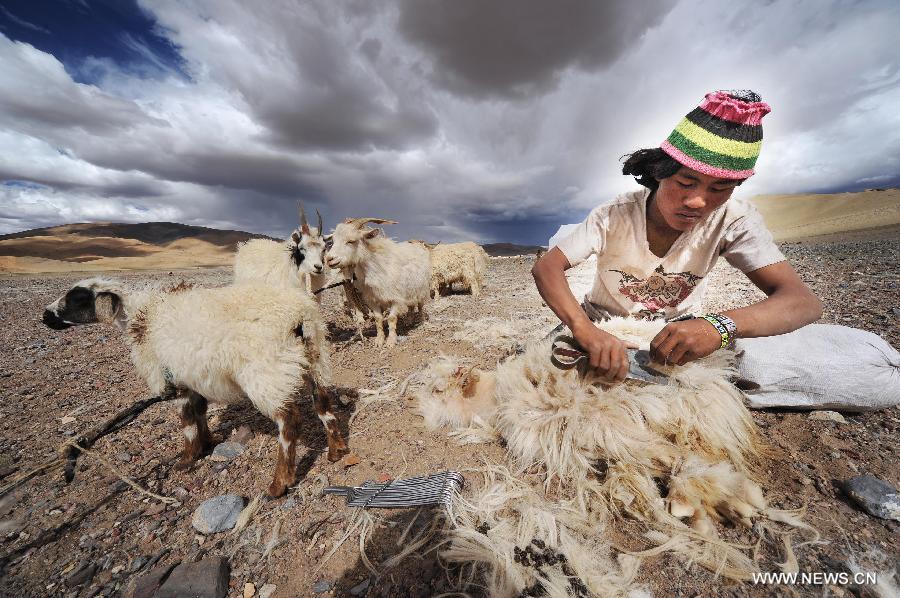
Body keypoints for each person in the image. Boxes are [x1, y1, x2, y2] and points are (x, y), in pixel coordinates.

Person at [532, 90, 823, 383]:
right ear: (660, 172)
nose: (697, 201)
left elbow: (802, 302)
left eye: (720, 189)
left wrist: (717, 327)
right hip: (601, 323)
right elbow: (547, 266)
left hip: (677, 335)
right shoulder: (614, 215)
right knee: (538, 381)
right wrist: (585, 329)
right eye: (686, 182)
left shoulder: (735, 220)